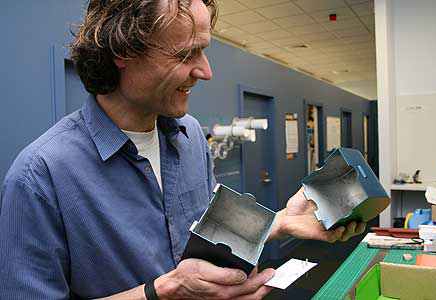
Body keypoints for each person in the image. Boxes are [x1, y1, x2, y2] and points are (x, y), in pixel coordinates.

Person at [0, 0, 365, 299]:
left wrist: (281, 221)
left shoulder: (189, 136)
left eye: (203, 51)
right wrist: (166, 290)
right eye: (186, 54)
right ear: (122, 53)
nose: (205, 71)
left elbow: (206, 234)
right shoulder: (40, 174)